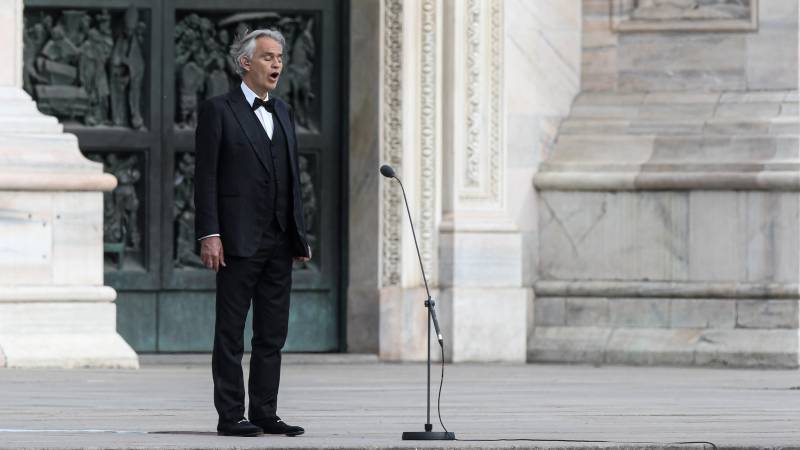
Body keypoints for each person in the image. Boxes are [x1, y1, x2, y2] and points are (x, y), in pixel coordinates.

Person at [193, 28, 311, 438]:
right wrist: (210, 232)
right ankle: (231, 415)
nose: (276, 64)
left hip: (279, 241)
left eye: (279, 57)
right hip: (237, 240)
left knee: (272, 333)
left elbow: (292, 177)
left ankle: (265, 411)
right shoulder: (218, 110)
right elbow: (204, 177)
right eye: (267, 57)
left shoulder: (284, 112)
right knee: (230, 333)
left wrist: (299, 234)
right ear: (246, 63)